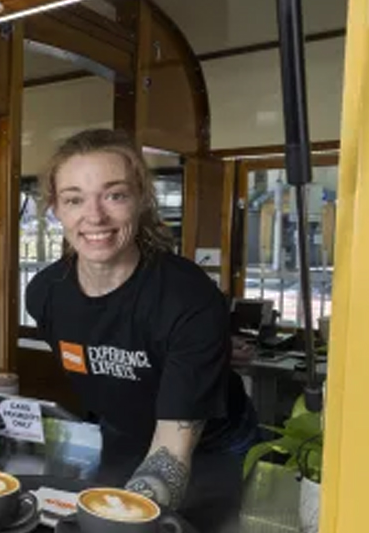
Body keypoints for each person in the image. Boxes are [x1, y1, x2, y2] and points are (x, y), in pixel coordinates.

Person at [25, 129, 257, 511]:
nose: (95, 216)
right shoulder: (45, 294)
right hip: (123, 435)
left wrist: (124, 517)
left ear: (141, 201)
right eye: (74, 199)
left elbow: (170, 451)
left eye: (115, 195)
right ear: (56, 209)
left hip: (212, 444)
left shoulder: (187, 296)